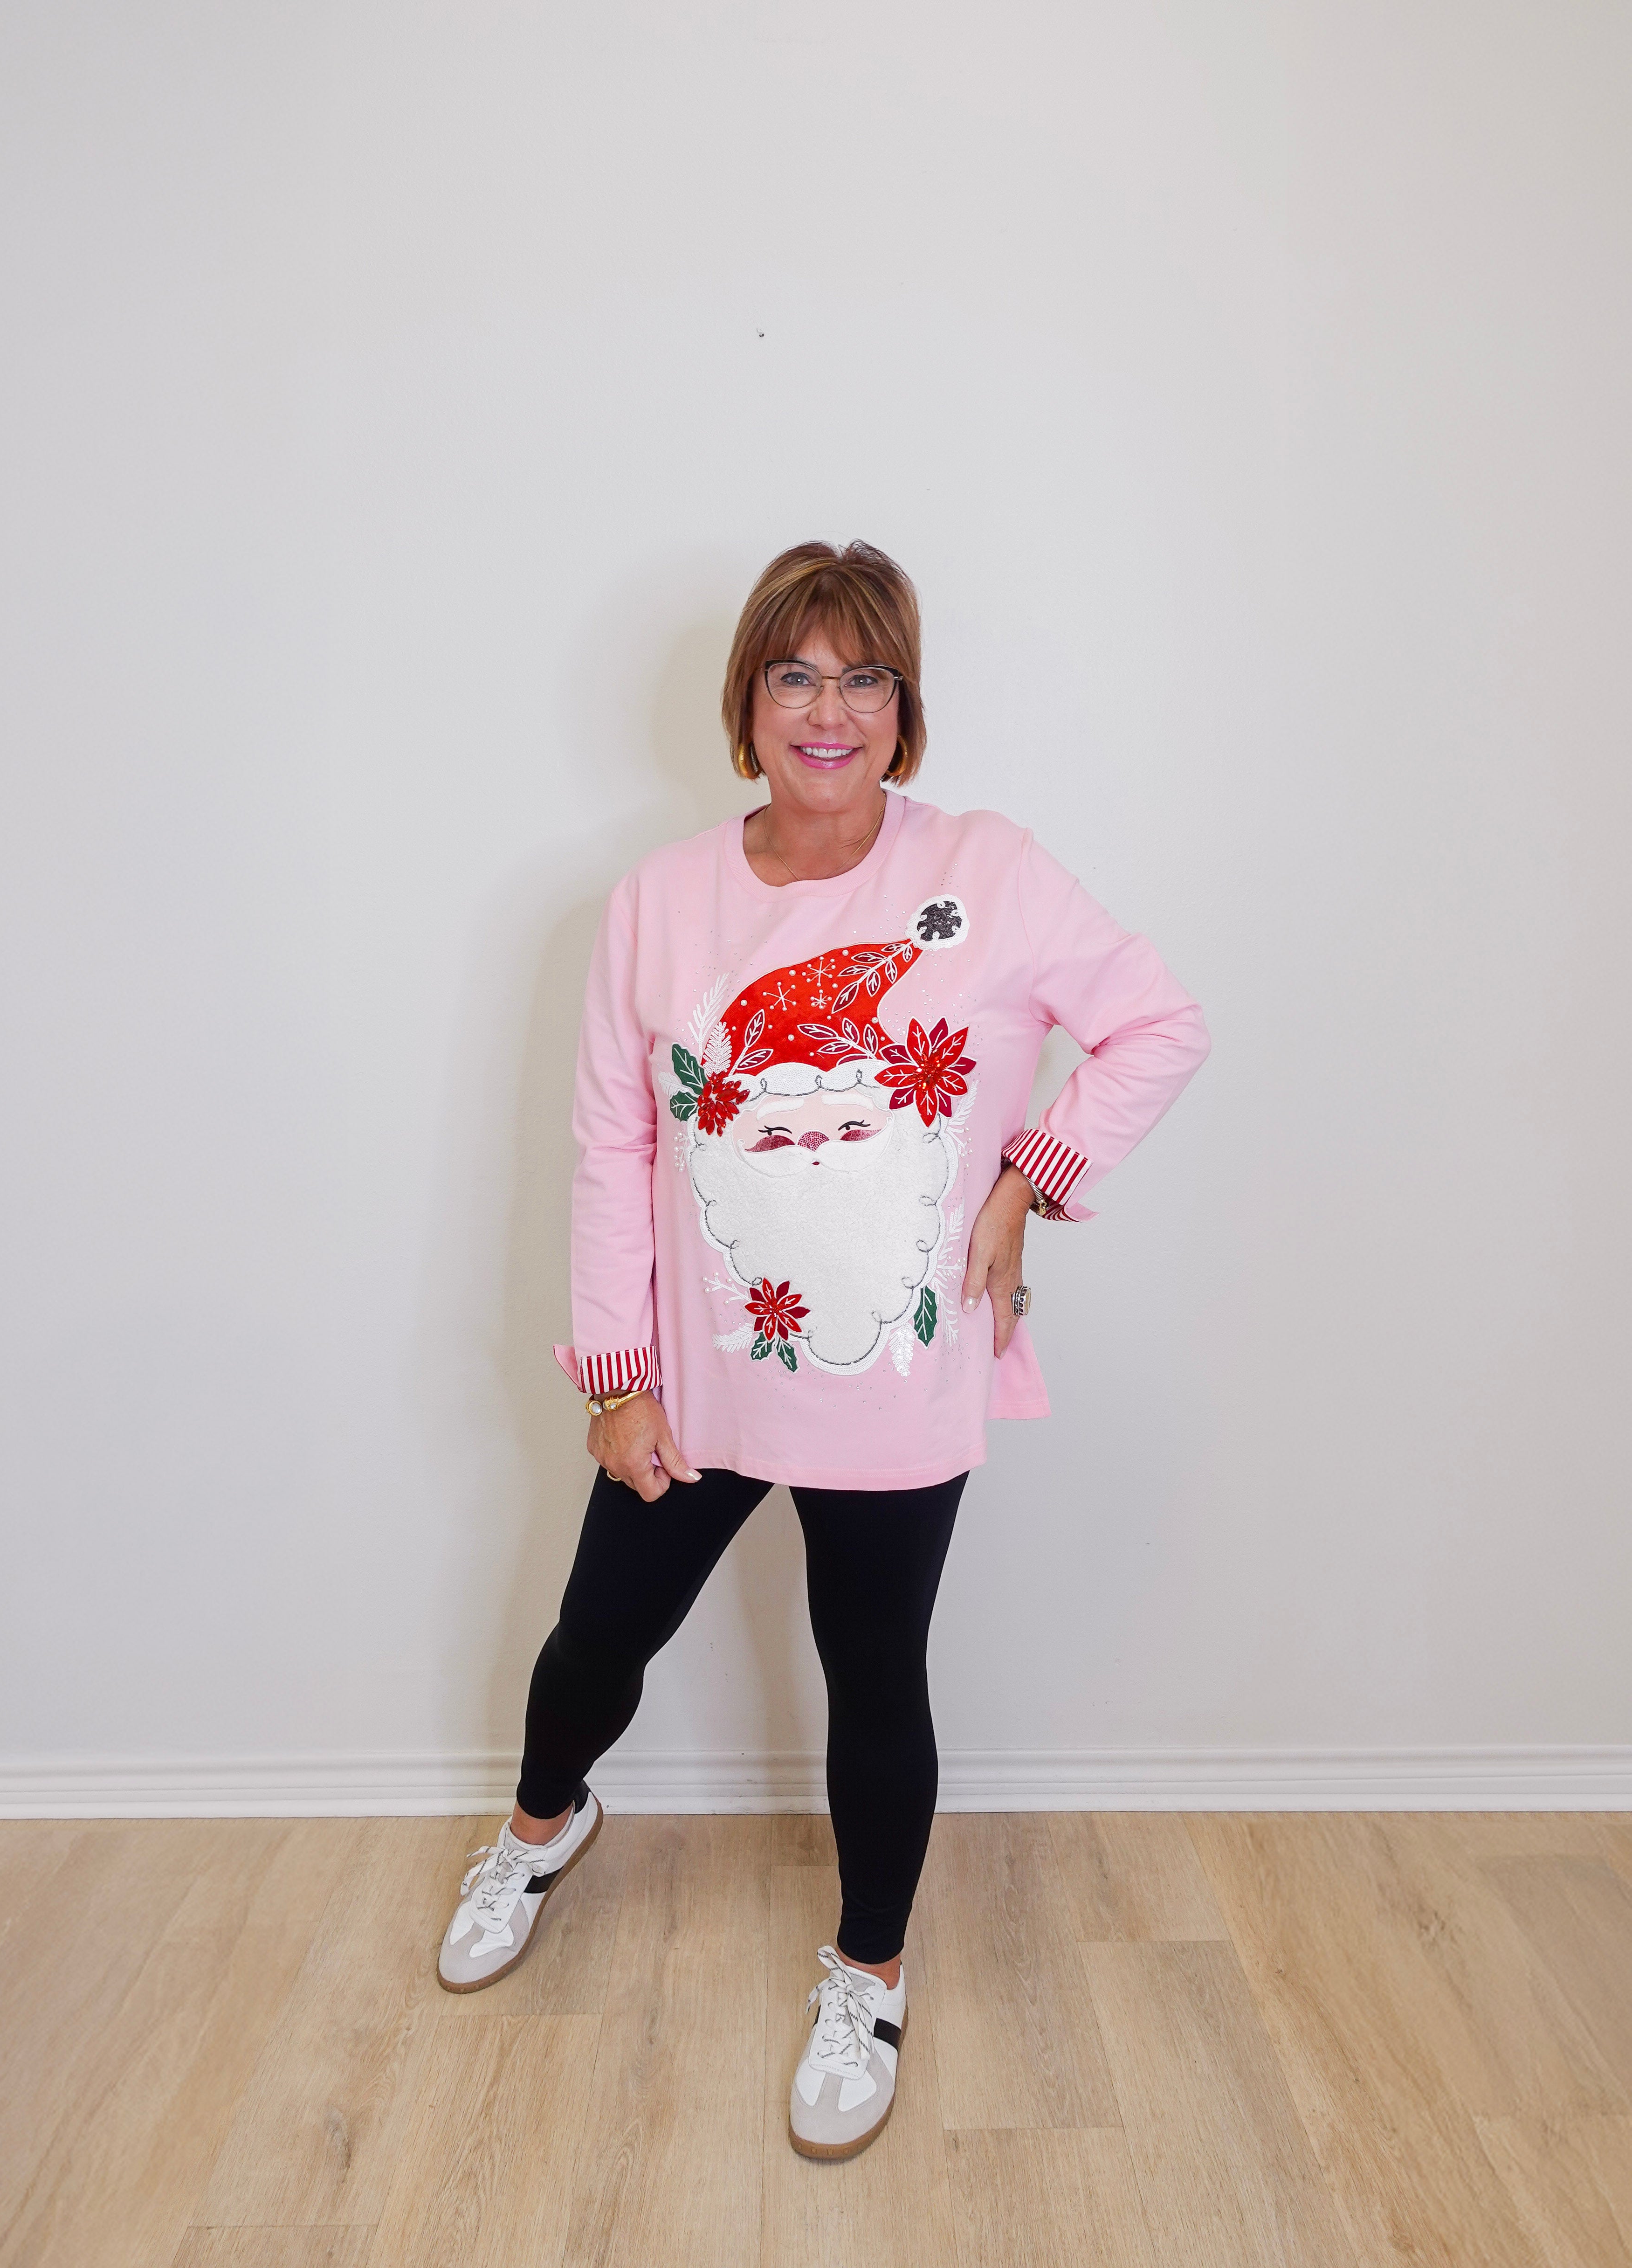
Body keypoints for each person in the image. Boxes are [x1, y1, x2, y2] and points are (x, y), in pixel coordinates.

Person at [435, 540, 1210, 2160]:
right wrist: (617, 1378)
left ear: (904, 704)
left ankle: (868, 1970)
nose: (831, 710)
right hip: (699, 1386)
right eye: (797, 674)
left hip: (895, 1387)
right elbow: (605, 1149)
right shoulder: (656, 903)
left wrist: (1025, 1186)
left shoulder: (986, 869)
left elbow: (1158, 1023)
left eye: (866, 677)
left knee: (875, 1684)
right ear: (751, 698)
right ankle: (543, 1822)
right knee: (596, 1642)